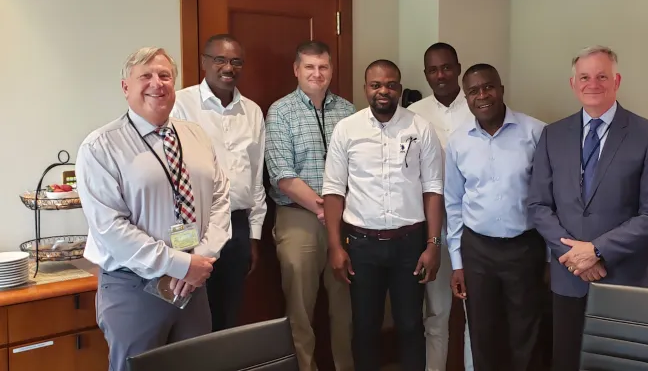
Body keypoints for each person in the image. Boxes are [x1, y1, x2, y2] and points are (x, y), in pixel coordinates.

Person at [77, 47, 231, 371]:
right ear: (125, 87)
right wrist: (178, 263)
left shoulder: (196, 136)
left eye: (165, 76)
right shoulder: (100, 147)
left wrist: (200, 258)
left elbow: (220, 199)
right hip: (134, 288)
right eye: (145, 76)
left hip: (192, 285)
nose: (156, 83)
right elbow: (110, 228)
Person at [527, 45, 648, 371]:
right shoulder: (552, 135)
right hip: (569, 278)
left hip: (625, 279)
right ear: (573, 83)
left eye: (602, 76)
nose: (593, 84)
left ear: (616, 81)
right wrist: (576, 257)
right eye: (585, 77)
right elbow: (538, 205)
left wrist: (597, 250)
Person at [323, 59, 444, 371]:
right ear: (366, 89)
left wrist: (433, 245)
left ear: (400, 89)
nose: (383, 91)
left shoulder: (420, 128)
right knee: (364, 327)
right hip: (362, 246)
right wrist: (335, 246)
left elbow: (432, 188)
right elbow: (334, 190)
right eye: (376, 85)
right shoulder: (347, 130)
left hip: (410, 244)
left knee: (409, 325)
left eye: (390, 84)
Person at [445, 63, 547, 371]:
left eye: (488, 87)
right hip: (478, 251)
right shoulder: (458, 142)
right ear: (467, 98)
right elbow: (453, 202)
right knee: (483, 333)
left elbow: (551, 199)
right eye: (473, 91)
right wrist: (457, 261)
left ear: (501, 89)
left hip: (524, 247)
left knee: (526, 333)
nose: (482, 95)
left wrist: (552, 258)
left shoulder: (536, 132)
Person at [264, 41, 355, 371]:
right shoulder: (281, 112)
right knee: (300, 309)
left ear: (331, 69)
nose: (317, 74)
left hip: (346, 222)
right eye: (309, 67)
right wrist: (323, 209)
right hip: (298, 218)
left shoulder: (348, 111)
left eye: (324, 67)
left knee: (346, 307)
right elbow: (282, 175)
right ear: (296, 70)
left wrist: (335, 215)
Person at [171, 34, 267, 332]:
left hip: (236, 226)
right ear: (204, 62)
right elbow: (173, 177)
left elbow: (256, 177)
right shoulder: (181, 105)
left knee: (228, 315)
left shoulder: (251, 111)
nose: (229, 67)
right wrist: (182, 247)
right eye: (220, 59)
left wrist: (254, 234)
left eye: (236, 61)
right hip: (194, 227)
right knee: (192, 314)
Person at [407, 42, 474, 371]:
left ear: (458, 67)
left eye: (446, 67)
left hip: (475, 223)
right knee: (437, 310)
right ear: (426, 75)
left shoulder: (480, 104)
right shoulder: (415, 114)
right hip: (432, 224)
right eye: (433, 70)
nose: (441, 75)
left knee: (475, 311)